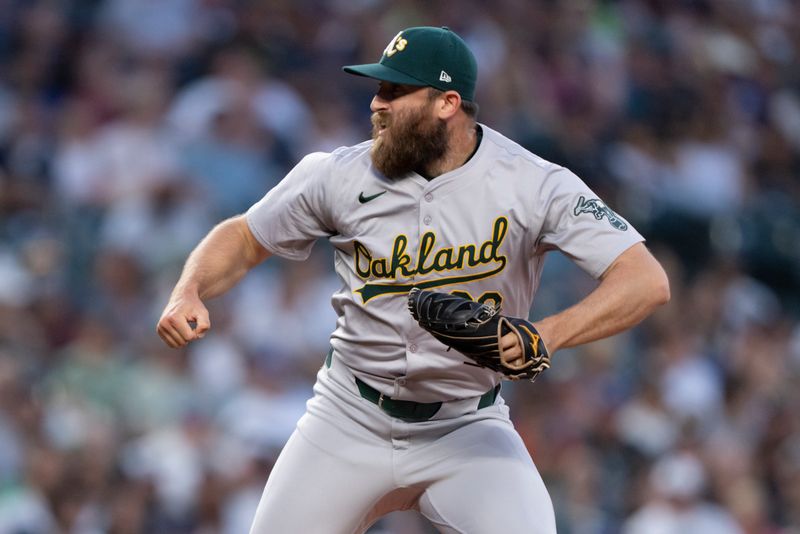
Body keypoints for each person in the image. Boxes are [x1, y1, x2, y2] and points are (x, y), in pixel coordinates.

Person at [156, 26, 670, 534]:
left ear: (447, 103)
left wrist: (547, 335)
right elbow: (245, 235)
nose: (377, 104)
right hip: (349, 413)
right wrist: (189, 290)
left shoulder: (533, 183)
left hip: (467, 425)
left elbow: (645, 280)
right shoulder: (339, 174)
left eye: (395, 91)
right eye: (379, 89)